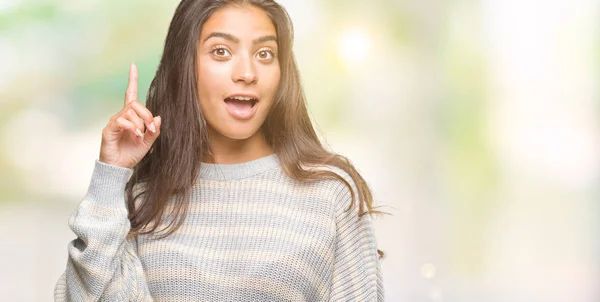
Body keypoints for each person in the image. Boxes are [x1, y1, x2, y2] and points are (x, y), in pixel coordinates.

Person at [54, 0, 386, 301]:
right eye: (221, 52)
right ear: (186, 67)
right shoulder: (143, 200)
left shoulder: (330, 195)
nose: (246, 73)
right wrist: (111, 173)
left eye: (264, 54)